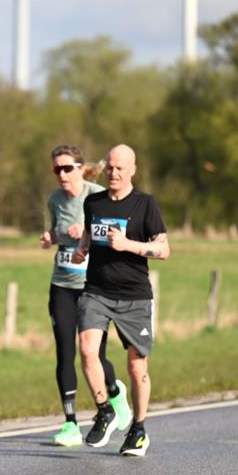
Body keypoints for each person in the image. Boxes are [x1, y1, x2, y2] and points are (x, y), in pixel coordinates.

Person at [73, 144, 171, 456]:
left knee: (136, 367)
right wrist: (82, 247)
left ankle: (139, 429)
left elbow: (163, 250)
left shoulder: (145, 204)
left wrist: (129, 245)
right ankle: (105, 410)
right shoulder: (93, 202)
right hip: (96, 290)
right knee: (88, 351)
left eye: (121, 168)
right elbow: (90, 234)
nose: (114, 173)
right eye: (111, 167)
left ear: (132, 170)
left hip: (134, 296)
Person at [40, 144, 131, 447]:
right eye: (57, 169)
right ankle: (70, 424)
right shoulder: (54, 200)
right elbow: (56, 232)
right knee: (65, 352)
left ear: (80, 167)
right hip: (62, 284)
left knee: (93, 354)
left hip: (93, 287)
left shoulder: (97, 196)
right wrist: (50, 237)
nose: (62, 174)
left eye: (67, 168)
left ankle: (115, 394)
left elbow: (112, 234)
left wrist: (87, 233)